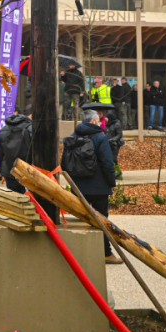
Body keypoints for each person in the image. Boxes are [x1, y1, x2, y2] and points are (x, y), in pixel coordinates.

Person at [61, 109, 121, 264]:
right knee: (102, 220)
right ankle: (106, 253)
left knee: (83, 219)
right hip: (99, 187)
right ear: (93, 121)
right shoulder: (100, 138)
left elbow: (65, 164)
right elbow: (108, 163)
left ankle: (80, 254)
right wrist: (111, 183)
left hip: (79, 188)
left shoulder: (72, 138)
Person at [0, 109, 32, 192]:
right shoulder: (30, 128)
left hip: (9, 171)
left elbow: (0, 154)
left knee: (13, 200)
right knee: (28, 201)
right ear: (30, 116)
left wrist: (2, 173)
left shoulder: (4, 129)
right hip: (26, 172)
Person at [105, 106, 125, 179]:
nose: (106, 119)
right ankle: (114, 172)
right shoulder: (107, 125)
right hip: (108, 143)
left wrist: (113, 140)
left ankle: (117, 172)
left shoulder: (117, 124)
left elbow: (119, 134)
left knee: (114, 158)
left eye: (107, 118)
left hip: (115, 144)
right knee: (109, 158)